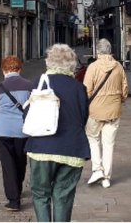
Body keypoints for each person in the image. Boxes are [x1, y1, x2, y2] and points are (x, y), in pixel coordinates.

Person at [25, 44, 90, 222]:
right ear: (72, 64)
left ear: (48, 62)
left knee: (40, 194)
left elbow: (27, 116)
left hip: (41, 148)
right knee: (63, 196)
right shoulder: (78, 87)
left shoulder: (38, 83)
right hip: (72, 148)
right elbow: (83, 118)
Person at [0, 56, 33, 212]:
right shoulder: (30, 86)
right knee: (20, 160)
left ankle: (13, 200)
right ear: (20, 69)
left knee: (8, 164)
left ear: (4, 71)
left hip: (3, 131)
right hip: (23, 131)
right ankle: (17, 188)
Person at [83, 38, 128, 188]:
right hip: (114, 110)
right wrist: (119, 100)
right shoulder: (119, 67)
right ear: (110, 51)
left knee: (93, 138)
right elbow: (125, 89)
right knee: (109, 144)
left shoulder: (93, 67)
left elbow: (86, 90)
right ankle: (106, 178)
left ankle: (97, 169)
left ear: (97, 51)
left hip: (95, 110)